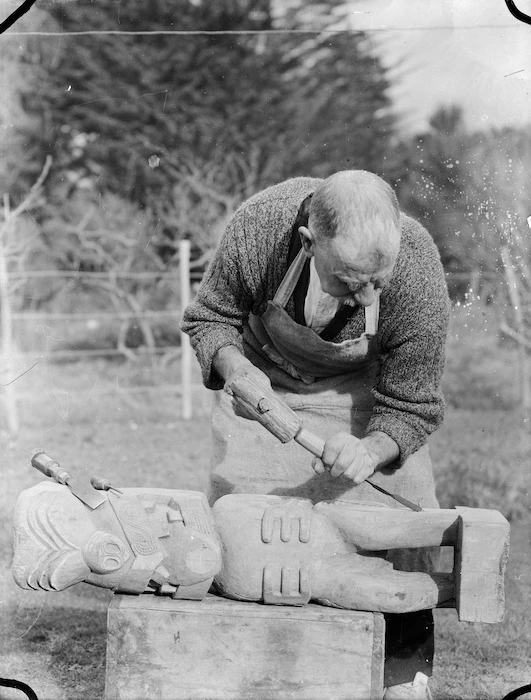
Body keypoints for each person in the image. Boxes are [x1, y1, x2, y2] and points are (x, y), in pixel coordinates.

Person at [182, 170, 450, 700]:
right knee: (245, 540)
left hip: (364, 402)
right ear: (309, 241)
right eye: (349, 280)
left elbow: (412, 404)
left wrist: (372, 449)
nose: (366, 295)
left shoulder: (416, 269)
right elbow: (210, 319)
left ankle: (405, 681)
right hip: (265, 392)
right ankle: (258, 680)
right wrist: (237, 373)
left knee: (405, 528)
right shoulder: (260, 228)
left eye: (379, 280)